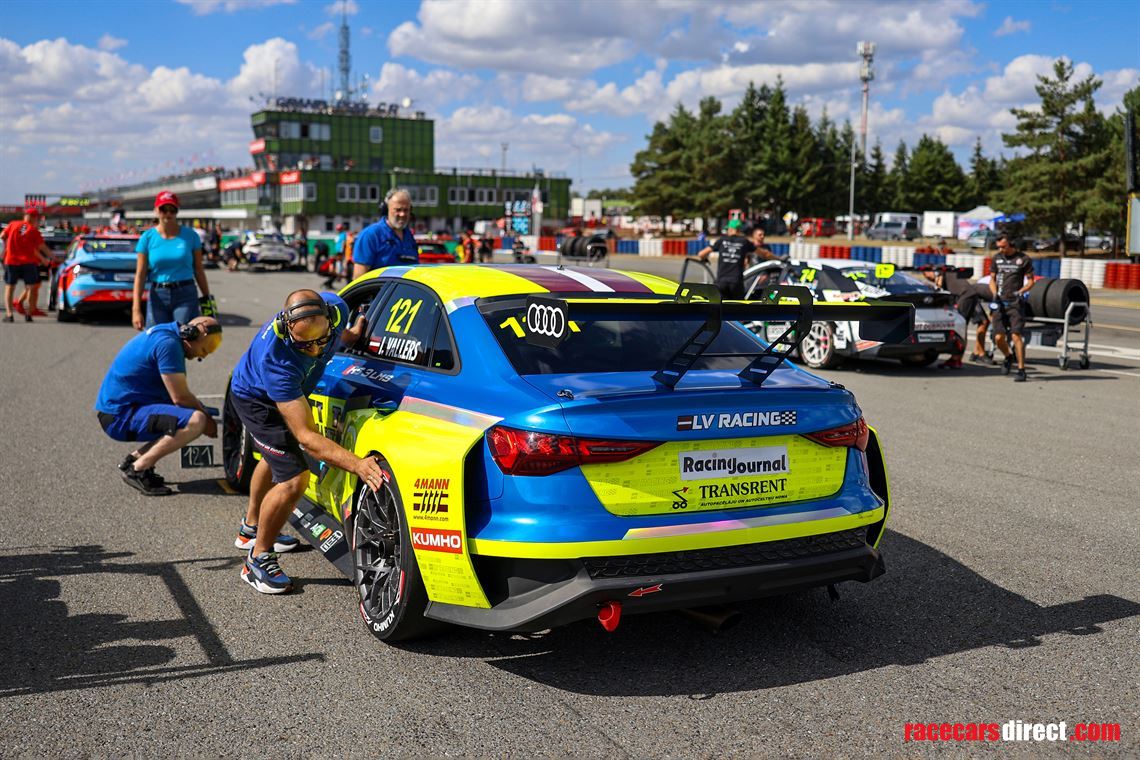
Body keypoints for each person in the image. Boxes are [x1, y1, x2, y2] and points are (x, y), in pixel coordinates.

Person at [228, 289, 383, 594]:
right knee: (294, 477)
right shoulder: (278, 362)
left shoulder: (334, 309)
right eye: (304, 344)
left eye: (321, 340)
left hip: (286, 389)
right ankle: (256, 559)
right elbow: (307, 438)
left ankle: (250, 528)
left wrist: (353, 334)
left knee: (277, 458)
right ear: (288, 329)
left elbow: (339, 335)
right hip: (256, 398)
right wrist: (359, 465)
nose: (314, 350)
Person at [94, 316, 223, 495]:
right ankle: (138, 470)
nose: (203, 354)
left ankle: (134, 459)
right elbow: (180, 397)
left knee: (186, 414)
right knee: (196, 420)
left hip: (121, 409)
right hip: (119, 416)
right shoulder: (169, 345)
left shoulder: (167, 333)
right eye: (205, 347)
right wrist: (207, 419)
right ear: (191, 334)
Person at [132, 191, 212, 330]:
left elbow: (199, 270)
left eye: (172, 209)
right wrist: (136, 309)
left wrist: (207, 303)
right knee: (156, 339)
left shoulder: (191, 236)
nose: (168, 213)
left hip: (185, 294)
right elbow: (140, 275)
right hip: (158, 295)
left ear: (177, 211)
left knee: (185, 340)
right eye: (163, 209)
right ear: (156, 211)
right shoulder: (147, 237)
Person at [988, 234, 1034, 382]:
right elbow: (992, 279)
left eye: (1003, 246)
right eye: (999, 246)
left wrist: (1021, 292)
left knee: (1016, 336)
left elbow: (1031, 281)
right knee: (998, 337)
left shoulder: (1023, 259)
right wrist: (994, 293)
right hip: (999, 303)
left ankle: (1021, 370)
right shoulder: (997, 258)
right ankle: (1008, 356)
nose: (1000, 249)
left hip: (1015, 303)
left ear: (1012, 245)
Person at [351, 188, 419, 279]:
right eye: (398, 210)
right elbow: (359, 278)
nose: (402, 214)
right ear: (386, 210)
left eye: (406, 210)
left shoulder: (409, 237)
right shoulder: (370, 235)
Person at [3, 207, 52, 323]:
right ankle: (29, 314)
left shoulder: (13, 224)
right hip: (28, 262)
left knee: (10, 287)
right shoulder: (33, 230)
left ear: (25, 216)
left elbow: (2, 236)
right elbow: (42, 247)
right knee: (30, 287)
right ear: (34, 218)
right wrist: (51, 258)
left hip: (12, 260)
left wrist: (6, 249)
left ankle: (10, 315)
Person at [696, 219, 757, 299]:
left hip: (721, 282)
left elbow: (701, 254)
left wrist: (704, 259)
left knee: (721, 308)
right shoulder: (744, 242)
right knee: (737, 308)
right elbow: (763, 253)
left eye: (728, 229)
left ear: (732, 229)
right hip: (736, 282)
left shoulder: (722, 240)